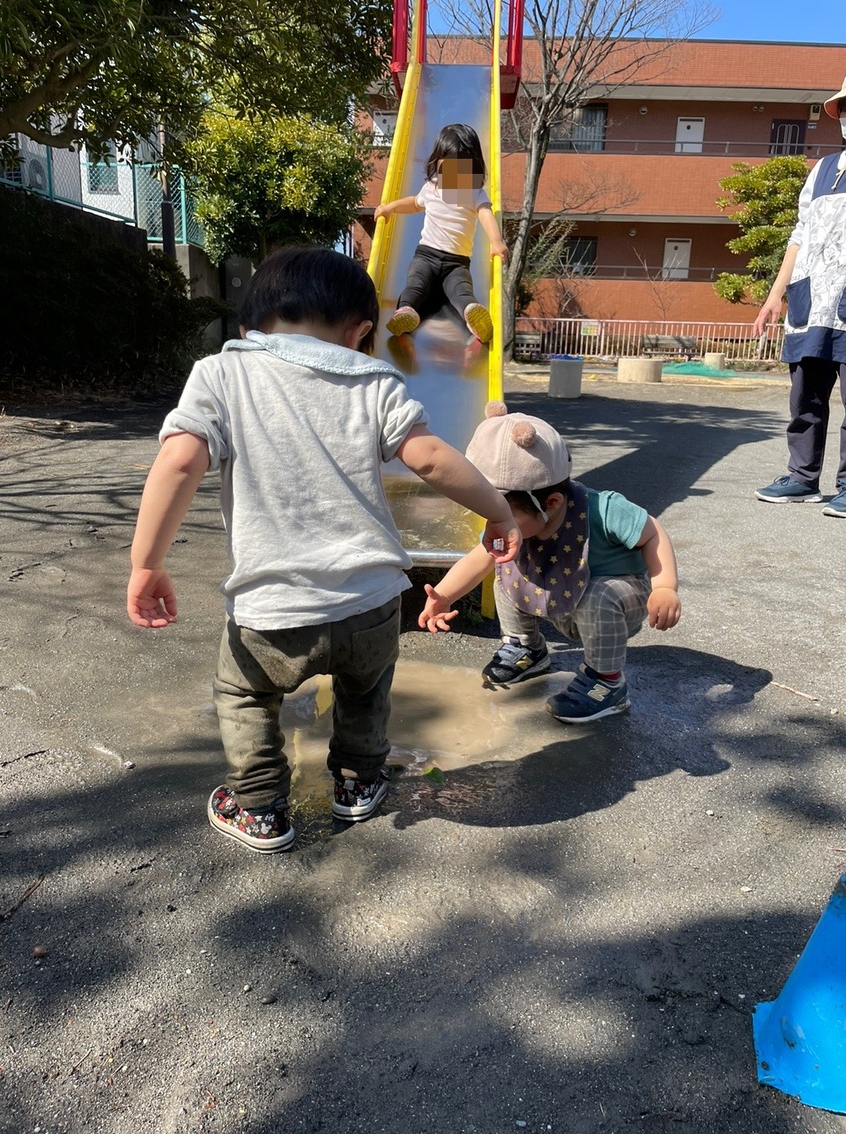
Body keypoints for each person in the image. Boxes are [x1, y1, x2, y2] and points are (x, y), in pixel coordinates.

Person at [126, 247, 520, 854]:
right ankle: (359, 783)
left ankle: (259, 807)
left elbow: (179, 460)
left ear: (246, 327)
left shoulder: (221, 374)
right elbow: (432, 458)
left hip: (272, 608)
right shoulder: (377, 380)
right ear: (361, 331)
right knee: (365, 690)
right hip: (371, 603)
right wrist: (497, 510)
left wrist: (147, 563)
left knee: (246, 694)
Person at [418, 403, 681, 723]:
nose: (492, 520)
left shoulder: (602, 509)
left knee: (599, 595)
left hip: (616, 599)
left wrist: (665, 587)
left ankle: (607, 682)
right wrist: (443, 596)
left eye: (500, 512)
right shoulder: (515, 524)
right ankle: (527, 649)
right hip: (563, 593)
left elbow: (653, 532)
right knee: (504, 564)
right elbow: (479, 560)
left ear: (552, 503)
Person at [754, 77, 846, 516]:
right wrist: (776, 295)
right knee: (806, 395)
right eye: (844, 109)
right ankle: (802, 477)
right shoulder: (822, 169)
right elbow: (800, 235)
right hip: (813, 301)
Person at [374, 123, 508, 346]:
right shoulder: (432, 187)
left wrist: (496, 241)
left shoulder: (474, 192)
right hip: (426, 256)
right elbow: (414, 204)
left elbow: (486, 214)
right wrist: (390, 208)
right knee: (416, 284)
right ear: (438, 163)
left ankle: (472, 313)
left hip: (456, 264)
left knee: (461, 291)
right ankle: (406, 312)